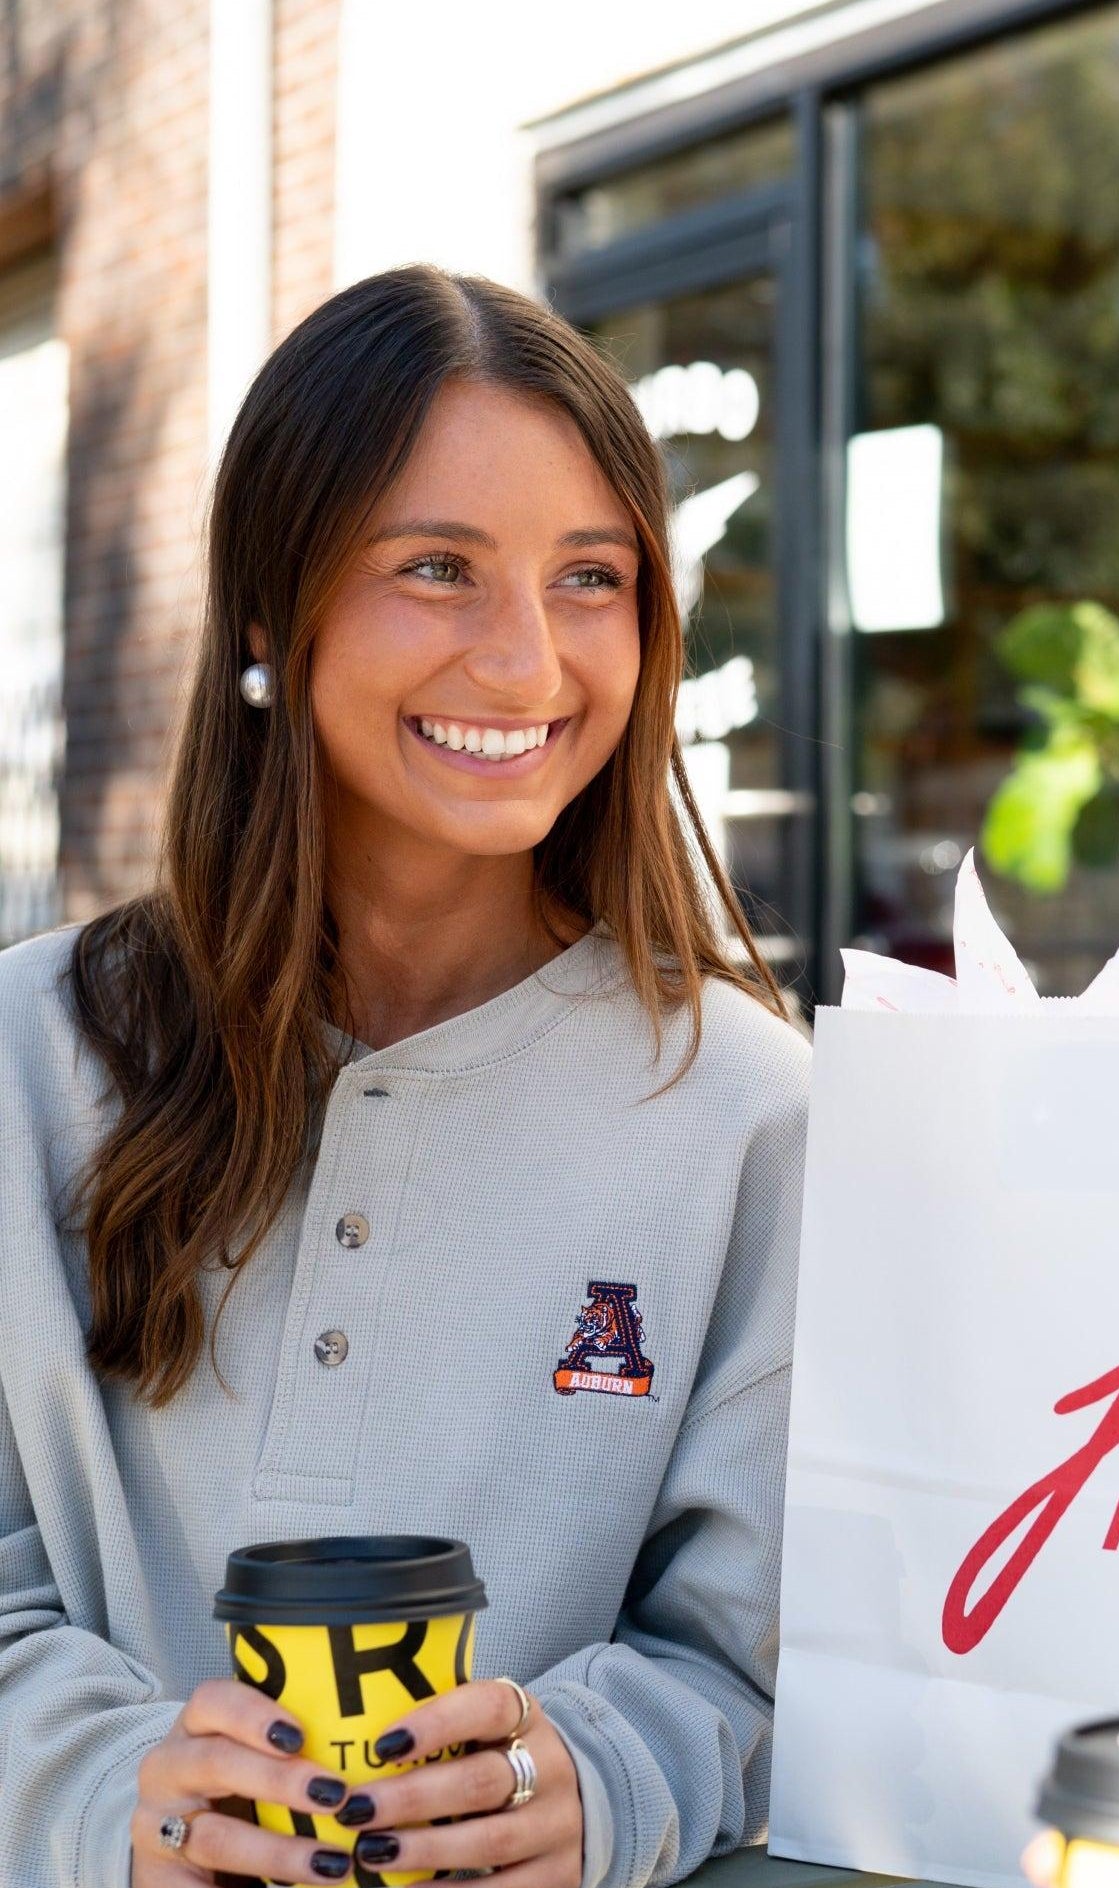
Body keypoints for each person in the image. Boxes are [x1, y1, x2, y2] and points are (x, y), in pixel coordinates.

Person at [0, 266, 811, 1888]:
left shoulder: (747, 1111)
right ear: (265, 610)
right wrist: (120, 1804)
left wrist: (602, 1775)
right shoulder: (25, 1060)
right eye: (438, 568)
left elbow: (757, 1658)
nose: (526, 663)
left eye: (592, 577)